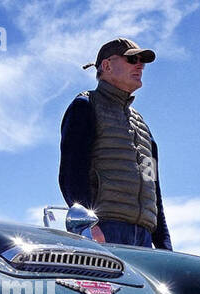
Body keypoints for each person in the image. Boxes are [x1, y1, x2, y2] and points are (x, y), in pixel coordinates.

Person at [58, 37, 172, 250]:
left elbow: (153, 189)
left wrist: (165, 247)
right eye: (132, 59)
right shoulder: (85, 106)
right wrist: (87, 226)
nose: (140, 65)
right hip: (104, 231)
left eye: (142, 61)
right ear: (107, 66)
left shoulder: (144, 128)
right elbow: (72, 174)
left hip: (144, 239)